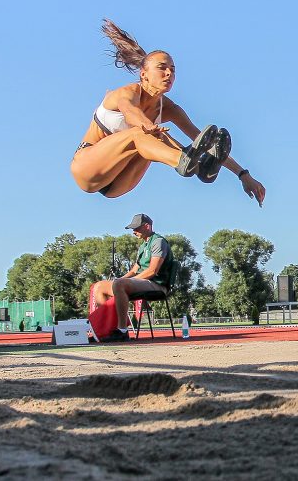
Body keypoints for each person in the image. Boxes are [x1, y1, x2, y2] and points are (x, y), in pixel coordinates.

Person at [71, 19, 265, 205]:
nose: (169, 74)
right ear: (143, 74)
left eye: (173, 70)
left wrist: (243, 175)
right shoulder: (126, 93)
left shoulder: (169, 108)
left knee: (159, 136)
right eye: (162, 68)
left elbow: (202, 140)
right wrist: (146, 125)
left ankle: (200, 167)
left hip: (119, 184)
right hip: (88, 169)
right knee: (143, 132)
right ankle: (187, 161)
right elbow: (130, 112)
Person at [93, 213, 173, 342]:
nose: (134, 232)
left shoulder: (158, 242)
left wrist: (122, 282)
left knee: (119, 284)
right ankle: (107, 330)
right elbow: (134, 270)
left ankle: (122, 331)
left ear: (147, 226)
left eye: (136, 228)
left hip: (157, 285)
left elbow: (152, 270)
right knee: (99, 287)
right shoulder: (143, 246)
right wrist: (117, 280)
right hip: (143, 282)